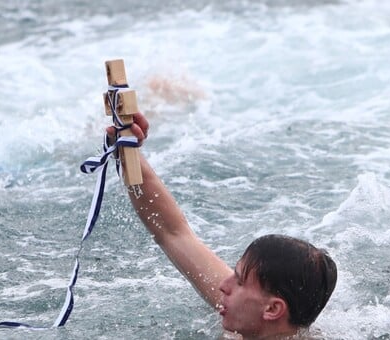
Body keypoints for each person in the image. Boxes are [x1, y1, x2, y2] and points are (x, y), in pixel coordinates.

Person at [107, 113, 337, 339]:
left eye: (238, 281)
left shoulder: (247, 314)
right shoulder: (251, 312)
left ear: (273, 310)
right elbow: (172, 232)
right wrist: (129, 151)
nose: (222, 286)